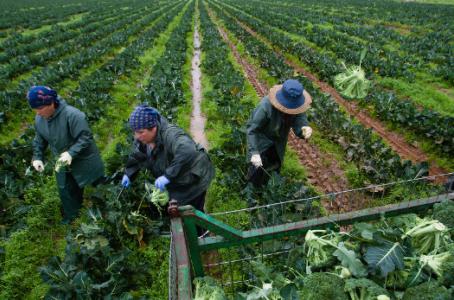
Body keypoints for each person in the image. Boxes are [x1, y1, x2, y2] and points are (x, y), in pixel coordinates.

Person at [28, 86, 105, 224]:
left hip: (84, 157)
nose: (37, 113)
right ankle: (71, 218)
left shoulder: (73, 115)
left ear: (51, 103)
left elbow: (85, 137)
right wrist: (38, 157)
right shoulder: (40, 119)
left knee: (98, 183)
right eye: (35, 110)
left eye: (40, 109)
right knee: (66, 189)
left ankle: (106, 208)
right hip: (61, 159)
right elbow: (39, 139)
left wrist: (71, 153)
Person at [121, 105, 215, 214]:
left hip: (193, 177)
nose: (137, 136)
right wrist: (129, 173)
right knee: (175, 208)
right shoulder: (144, 138)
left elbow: (187, 150)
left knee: (190, 212)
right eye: (135, 132)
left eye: (141, 132)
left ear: (154, 127)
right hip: (177, 178)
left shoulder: (171, 134)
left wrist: (167, 176)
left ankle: (201, 230)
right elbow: (137, 154)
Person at [246, 79, 313, 187]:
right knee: (256, 169)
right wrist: (254, 152)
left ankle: (270, 188)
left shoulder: (297, 106)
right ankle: (252, 190)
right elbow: (252, 130)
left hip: (279, 142)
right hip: (262, 140)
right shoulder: (265, 107)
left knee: (275, 166)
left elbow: (300, 117)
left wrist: (303, 128)